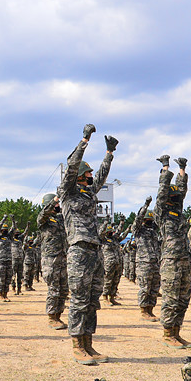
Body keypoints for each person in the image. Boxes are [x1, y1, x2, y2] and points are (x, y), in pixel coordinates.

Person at [60, 125, 116, 364]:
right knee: (79, 299)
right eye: (88, 173)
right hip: (79, 250)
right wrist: (85, 140)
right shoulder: (68, 192)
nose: (92, 176)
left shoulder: (87, 194)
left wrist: (109, 154)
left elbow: (102, 176)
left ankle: (89, 344)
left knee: (93, 300)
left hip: (95, 250)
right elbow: (72, 165)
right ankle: (76, 345)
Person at [155, 155, 191, 348]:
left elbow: (182, 190)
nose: (178, 198)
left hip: (184, 260)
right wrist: (165, 167)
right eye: (175, 197)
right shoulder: (162, 213)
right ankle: (167, 334)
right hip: (170, 261)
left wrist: (182, 170)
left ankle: (177, 333)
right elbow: (162, 193)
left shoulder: (178, 213)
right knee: (170, 299)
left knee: (183, 298)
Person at [38, 193, 69, 330]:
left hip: (63, 258)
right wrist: (54, 200)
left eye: (58, 204)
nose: (58, 206)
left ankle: (58, 316)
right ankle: (51, 317)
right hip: (50, 259)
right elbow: (44, 214)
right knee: (54, 289)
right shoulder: (43, 219)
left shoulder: (60, 219)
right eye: (56, 204)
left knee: (64, 289)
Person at [132, 197, 160, 322]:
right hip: (144, 263)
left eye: (150, 220)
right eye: (147, 220)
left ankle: (150, 310)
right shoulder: (138, 231)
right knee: (145, 287)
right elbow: (137, 220)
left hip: (155, 262)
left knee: (154, 288)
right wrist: (145, 206)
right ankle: (144, 310)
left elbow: (159, 218)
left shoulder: (153, 231)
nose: (149, 222)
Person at [0, 215, 14, 301]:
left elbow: (14, 229)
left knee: (8, 278)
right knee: (1, 279)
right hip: (1, 261)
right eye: (3, 230)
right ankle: (0, 294)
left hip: (9, 260)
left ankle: (5, 294)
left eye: (6, 229)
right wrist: (3, 219)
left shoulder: (9, 237)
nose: (5, 231)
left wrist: (13, 220)